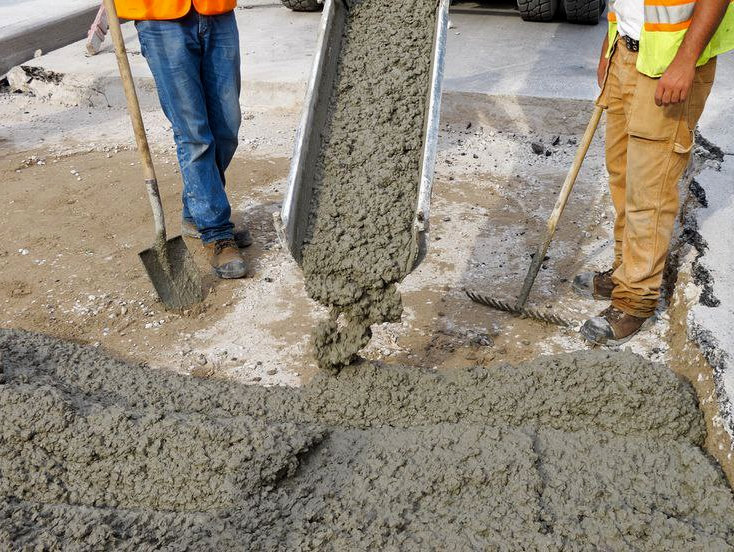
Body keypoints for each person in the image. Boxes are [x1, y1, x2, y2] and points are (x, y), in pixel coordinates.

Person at [575, 0, 733, 345]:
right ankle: (624, 272)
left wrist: (685, 60)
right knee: (622, 175)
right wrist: (611, 43)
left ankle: (635, 300)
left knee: (650, 189)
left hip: (668, 64)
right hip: (626, 52)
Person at [115, 0, 252, 279]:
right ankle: (216, 232)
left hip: (216, 10)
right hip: (161, 17)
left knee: (227, 127)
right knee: (194, 135)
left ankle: (195, 213)